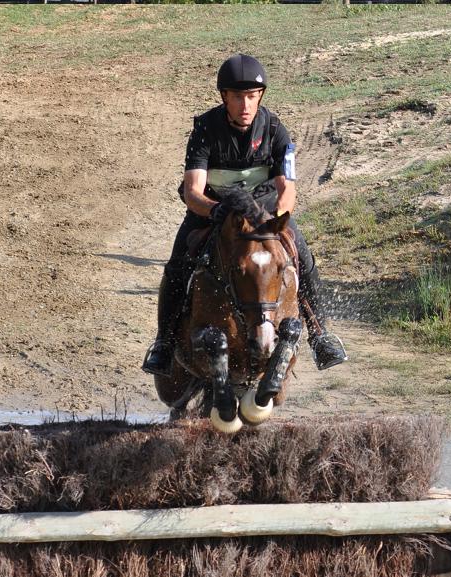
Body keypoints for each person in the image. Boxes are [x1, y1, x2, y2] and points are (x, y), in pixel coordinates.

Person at [143, 54, 347, 376]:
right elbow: (193, 191)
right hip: (214, 211)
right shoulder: (205, 130)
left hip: (264, 212)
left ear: (260, 96)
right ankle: (164, 343)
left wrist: (276, 217)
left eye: (252, 96)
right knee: (177, 263)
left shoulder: (277, 130)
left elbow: (288, 190)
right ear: (224, 97)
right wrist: (215, 209)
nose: (245, 105)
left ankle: (321, 335)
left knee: (303, 257)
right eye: (238, 97)